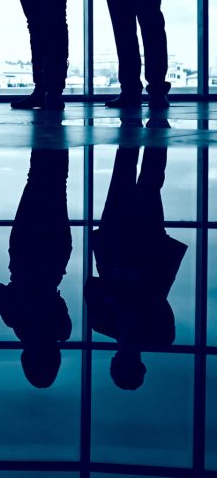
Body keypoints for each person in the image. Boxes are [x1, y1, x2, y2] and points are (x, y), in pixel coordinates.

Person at [85, 144, 186, 390]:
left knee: (147, 181)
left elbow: (156, 299)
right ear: (113, 362)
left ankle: (154, 126)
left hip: (144, 246)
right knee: (125, 177)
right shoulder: (101, 322)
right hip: (118, 244)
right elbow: (93, 287)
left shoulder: (160, 335)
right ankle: (134, 126)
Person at [0, 148, 72, 388]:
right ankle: (45, 131)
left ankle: (55, 131)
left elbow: (59, 303)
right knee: (35, 181)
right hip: (24, 255)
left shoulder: (61, 331)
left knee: (57, 187)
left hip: (55, 259)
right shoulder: (17, 321)